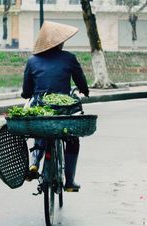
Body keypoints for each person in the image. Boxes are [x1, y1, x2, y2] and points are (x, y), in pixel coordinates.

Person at [21, 21, 89, 191]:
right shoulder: (69, 58)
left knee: (41, 131)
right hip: (63, 110)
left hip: (40, 107)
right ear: (59, 42)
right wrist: (84, 90)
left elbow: (27, 90)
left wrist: (28, 95)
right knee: (72, 140)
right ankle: (69, 182)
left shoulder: (32, 61)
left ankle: (34, 163)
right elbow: (80, 80)